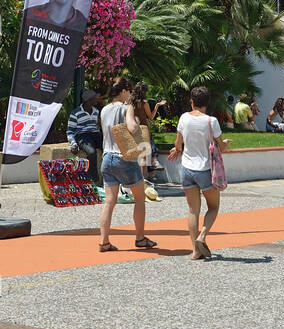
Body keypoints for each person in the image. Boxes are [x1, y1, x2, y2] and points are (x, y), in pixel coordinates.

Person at [167, 86, 228, 259]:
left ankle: (195, 251)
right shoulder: (211, 121)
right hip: (205, 169)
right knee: (214, 207)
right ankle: (202, 236)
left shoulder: (184, 118)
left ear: (191, 102)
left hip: (186, 169)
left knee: (193, 211)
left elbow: (178, 145)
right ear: (207, 103)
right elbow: (221, 146)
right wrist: (226, 143)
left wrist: (176, 150)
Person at [96, 77, 156, 252]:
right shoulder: (126, 107)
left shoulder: (104, 110)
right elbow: (132, 128)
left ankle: (104, 242)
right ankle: (140, 238)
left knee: (109, 202)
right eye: (128, 91)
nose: (129, 95)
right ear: (123, 91)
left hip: (107, 158)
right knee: (139, 198)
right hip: (124, 158)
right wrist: (136, 122)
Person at [66, 89, 103, 183]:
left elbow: (96, 127)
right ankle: (93, 179)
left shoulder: (96, 111)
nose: (96, 100)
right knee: (91, 152)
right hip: (82, 136)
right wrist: (73, 143)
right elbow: (70, 131)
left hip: (95, 134)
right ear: (88, 100)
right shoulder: (76, 113)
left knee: (108, 148)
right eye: (94, 98)